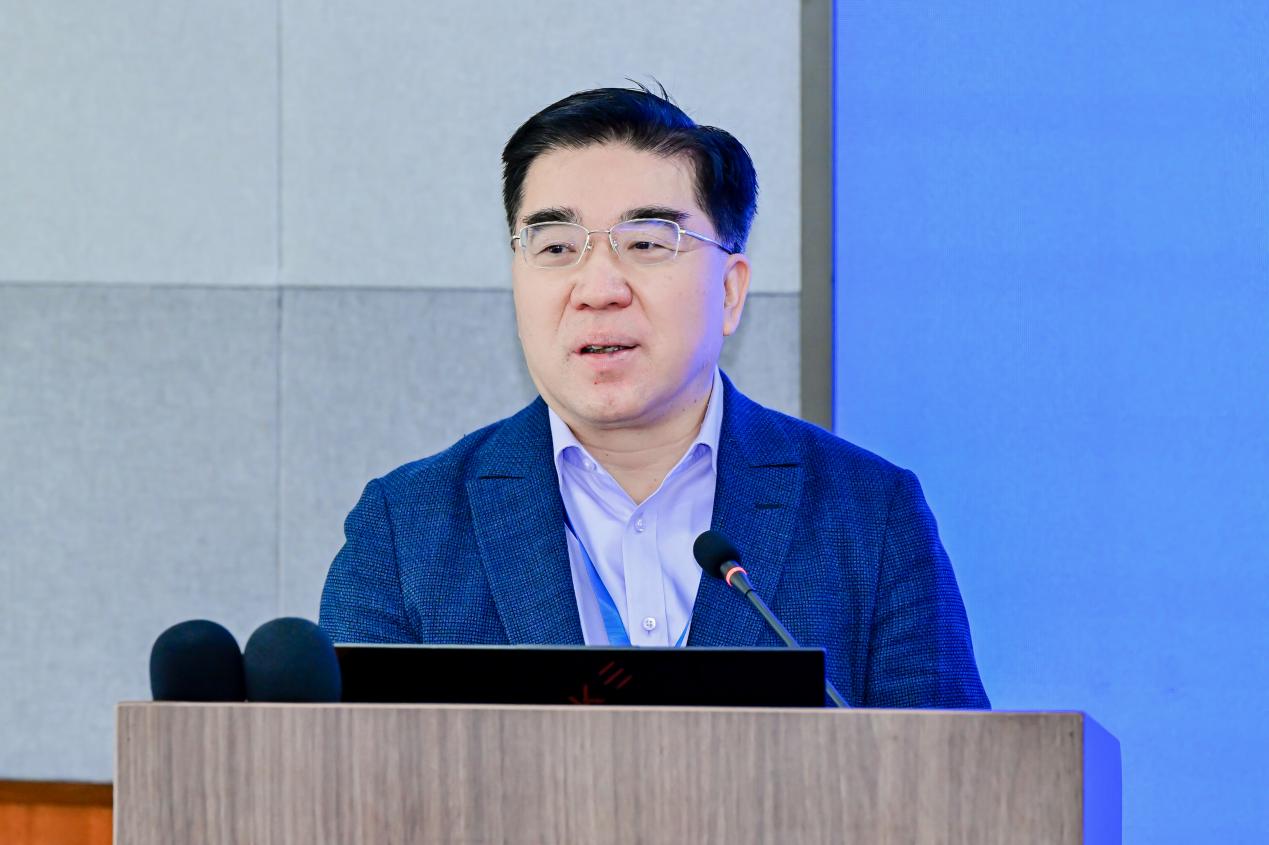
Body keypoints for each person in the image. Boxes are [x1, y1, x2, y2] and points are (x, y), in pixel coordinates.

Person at [319, 85, 989, 708]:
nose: (597, 288)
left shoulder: (869, 516)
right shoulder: (405, 532)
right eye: (555, 247)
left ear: (729, 291)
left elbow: (948, 780)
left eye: (645, 243)